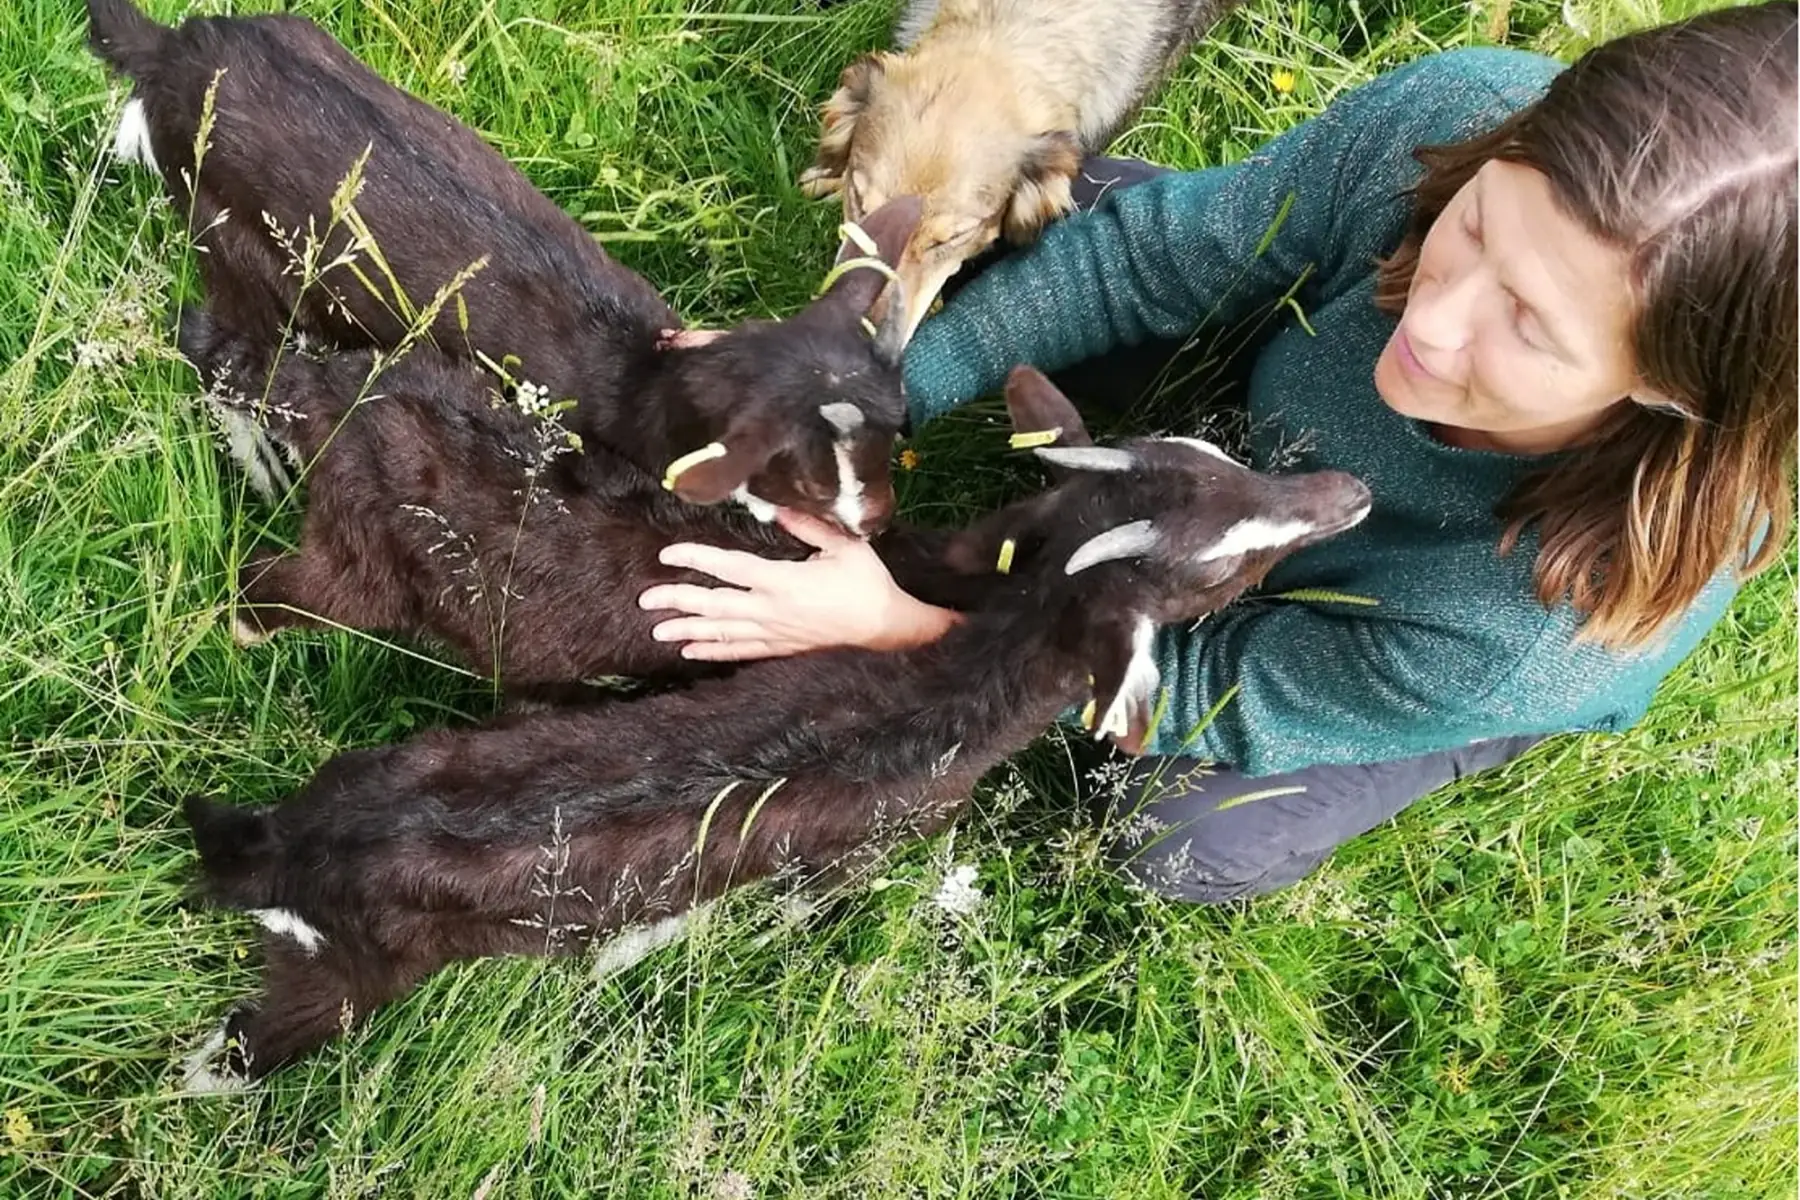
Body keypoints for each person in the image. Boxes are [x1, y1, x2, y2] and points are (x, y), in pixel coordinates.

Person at [637, 3, 1798, 902]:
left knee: (1177, 829)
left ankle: (1425, 749)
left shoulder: (1536, 626)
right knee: (1054, 219)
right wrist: (865, 395)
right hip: (1264, 410)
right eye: (1477, 229)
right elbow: (1144, 263)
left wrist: (906, 629)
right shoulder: (1452, 115)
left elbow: (1205, 690)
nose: (1432, 324)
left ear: (1668, 391)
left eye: (1531, 325)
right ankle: (1217, 443)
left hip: (1363, 638)